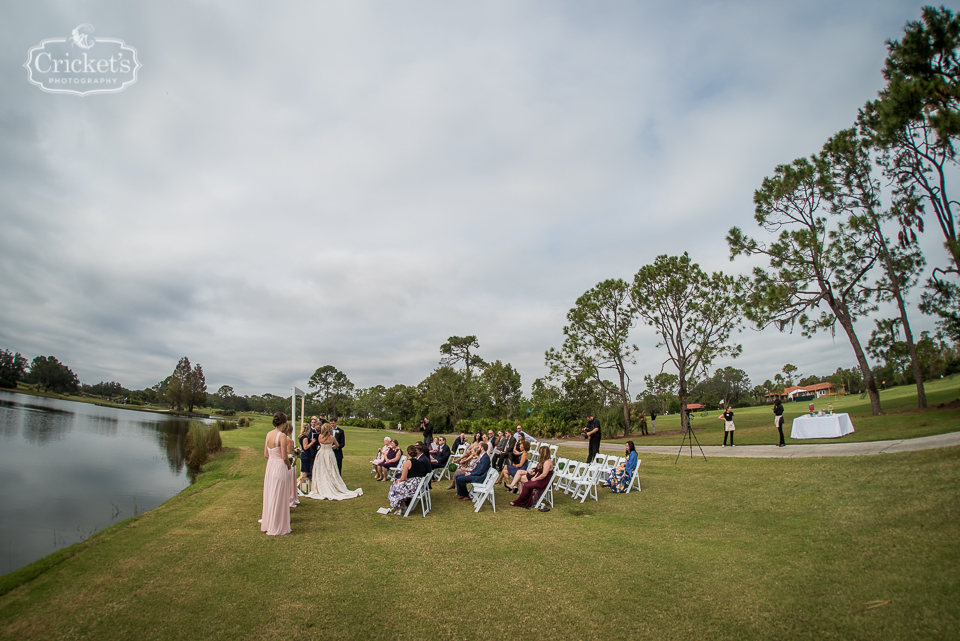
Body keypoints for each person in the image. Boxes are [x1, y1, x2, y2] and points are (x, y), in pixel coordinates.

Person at [305, 423, 363, 501]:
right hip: (329, 453)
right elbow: (337, 445)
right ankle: (332, 484)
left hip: (321, 453)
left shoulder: (319, 436)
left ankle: (321, 484)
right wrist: (331, 447)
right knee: (330, 469)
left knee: (321, 469)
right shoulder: (332, 438)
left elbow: (319, 444)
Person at [260, 412, 292, 536]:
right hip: (279, 466)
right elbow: (284, 456)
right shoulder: (282, 436)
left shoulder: (268, 434)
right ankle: (277, 525)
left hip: (270, 466)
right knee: (279, 494)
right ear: (284, 423)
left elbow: (265, 454)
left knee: (270, 493)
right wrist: (289, 465)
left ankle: (269, 523)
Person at [388, 445, 427, 514]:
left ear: (407, 453)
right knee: (399, 487)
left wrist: (398, 480)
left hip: (412, 486)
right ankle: (403, 506)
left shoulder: (407, 463)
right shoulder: (418, 461)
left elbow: (403, 478)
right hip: (419, 485)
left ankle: (399, 507)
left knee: (394, 487)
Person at [283, 423, 300, 508]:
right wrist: (296, 452)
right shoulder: (289, 440)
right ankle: (291, 497)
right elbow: (290, 453)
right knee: (290, 480)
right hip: (289, 462)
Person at [299, 417, 320, 482]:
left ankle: (302, 484)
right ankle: (300, 484)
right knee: (305, 472)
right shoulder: (305, 437)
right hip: (306, 454)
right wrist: (312, 442)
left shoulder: (301, 436)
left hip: (304, 454)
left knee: (306, 471)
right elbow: (305, 447)